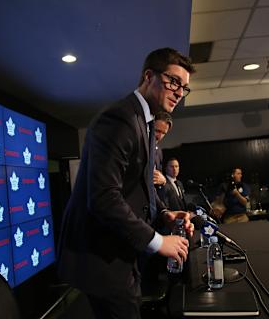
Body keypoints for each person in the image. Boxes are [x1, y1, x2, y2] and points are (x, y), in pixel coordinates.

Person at [57, 47, 195, 319]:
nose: (179, 92)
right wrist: (158, 241)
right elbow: (103, 197)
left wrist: (164, 215)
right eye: (174, 81)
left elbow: (134, 190)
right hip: (102, 258)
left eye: (185, 88)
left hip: (120, 251)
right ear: (148, 76)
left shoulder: (144, 122)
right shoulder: (120, 118)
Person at [152, 111, 173, 189]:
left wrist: (163, 180)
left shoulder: (159, 152)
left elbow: (159, 175)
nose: (159, 136)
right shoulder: (139, 145)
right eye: (157, 131)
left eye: (164, 133)